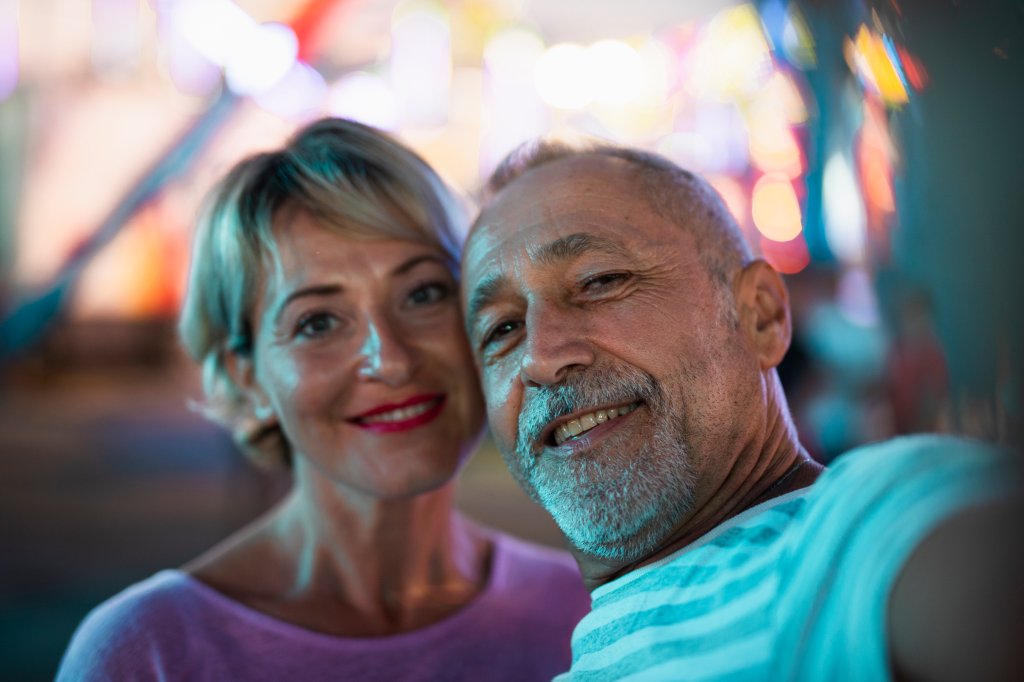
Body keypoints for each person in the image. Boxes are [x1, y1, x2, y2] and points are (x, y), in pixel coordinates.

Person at [461, 141, 1024, 681]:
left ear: (760, 316)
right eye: (502, 329)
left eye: (600, 281)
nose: (540, 355)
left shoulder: (851, 531)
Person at [56, 118, 589, 681]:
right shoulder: (148, 654)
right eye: (318, 322)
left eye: (424, 293)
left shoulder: (587, 616)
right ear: (247, 378)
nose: (391, 359)